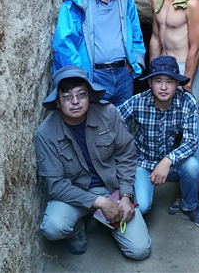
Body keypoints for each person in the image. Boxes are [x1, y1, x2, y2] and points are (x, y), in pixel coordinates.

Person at [36, 65, 151, 259]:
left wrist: (125, 195)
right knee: (53, 227)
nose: (75, 101)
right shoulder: (46, 133)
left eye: (81, 94)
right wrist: (100, 203)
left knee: (139, 251)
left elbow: (126, 155)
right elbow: (56, 186)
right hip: (74, 195)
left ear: (89, 95)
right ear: (57, 101)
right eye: (67, 96)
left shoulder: (109, 113)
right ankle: (77, 227)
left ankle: (105, 220)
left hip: (112, 189)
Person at [117, 56, 199, 228]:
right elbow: (112, 119)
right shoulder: (138, 101)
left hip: (173, 165)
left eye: (170, 81)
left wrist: (167, 161)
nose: (164, 87)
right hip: (144, 164)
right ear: (150, 83)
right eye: (158, 81)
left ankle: (189, 206)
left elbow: (191, 142)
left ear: (177, 84)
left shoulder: (187, 102)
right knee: (142, 207)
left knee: (193, 166)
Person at [53, 0, 146, 107]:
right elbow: (64, 43)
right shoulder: (76, 0)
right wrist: (79, 78)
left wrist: (136, 63)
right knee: (93, 122)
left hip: (124, 76)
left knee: (122, 122)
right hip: (92, 77)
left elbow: (136, 33)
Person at [149, 0, 199, 161]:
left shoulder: (193, 4)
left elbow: (196, 47)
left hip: (184, 69)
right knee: (161, 122)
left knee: (190, 126)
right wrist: (153, 74)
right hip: (163, 69)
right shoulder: (157, 0)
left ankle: (192, 175)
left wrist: (187, 82)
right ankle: (162, 169)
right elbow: (155, 38)